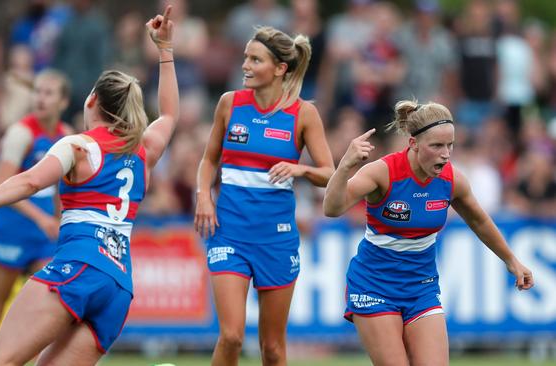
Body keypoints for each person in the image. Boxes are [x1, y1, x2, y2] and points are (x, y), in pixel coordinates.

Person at [0, 6, 178, 365]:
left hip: (79, 268)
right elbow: (168, 114)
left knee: (1, 361)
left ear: (91, 101)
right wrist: (165, 49)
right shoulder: (144, 151)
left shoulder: (77, 145)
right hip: (118, 287)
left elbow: (27, 181)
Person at [322, 100, 534, 365]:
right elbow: (331, 208)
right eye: (436, 146)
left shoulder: (452, 180)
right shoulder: (383, 173)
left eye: (450, 145)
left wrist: (512, 260)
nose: (445, 154)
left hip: (421, 287)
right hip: (374, 286)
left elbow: (479, 221)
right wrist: (344, 166)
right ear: (413, 144)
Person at [195, 26, 334, 366]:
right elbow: (209, 159)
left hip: (276, 240)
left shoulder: (304, 114)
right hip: (229, 233)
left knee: (272, 348)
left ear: (280, 68)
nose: (245, 65)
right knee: (231, 336)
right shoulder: (229, 103)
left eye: (255, 59)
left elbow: (330, 173)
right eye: (245, 57)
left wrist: (300, 170)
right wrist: (203, 195)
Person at [0, 68, 71, 366]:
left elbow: (64, 190)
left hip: (45, 237)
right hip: (10, 231)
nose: (41, 98)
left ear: (63, 101)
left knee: (41, 318)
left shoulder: (67, 136)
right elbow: (3, 183)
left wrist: (61, 223)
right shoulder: (21, 133)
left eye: (49, 93)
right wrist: (42, 219)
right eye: (37, 91)